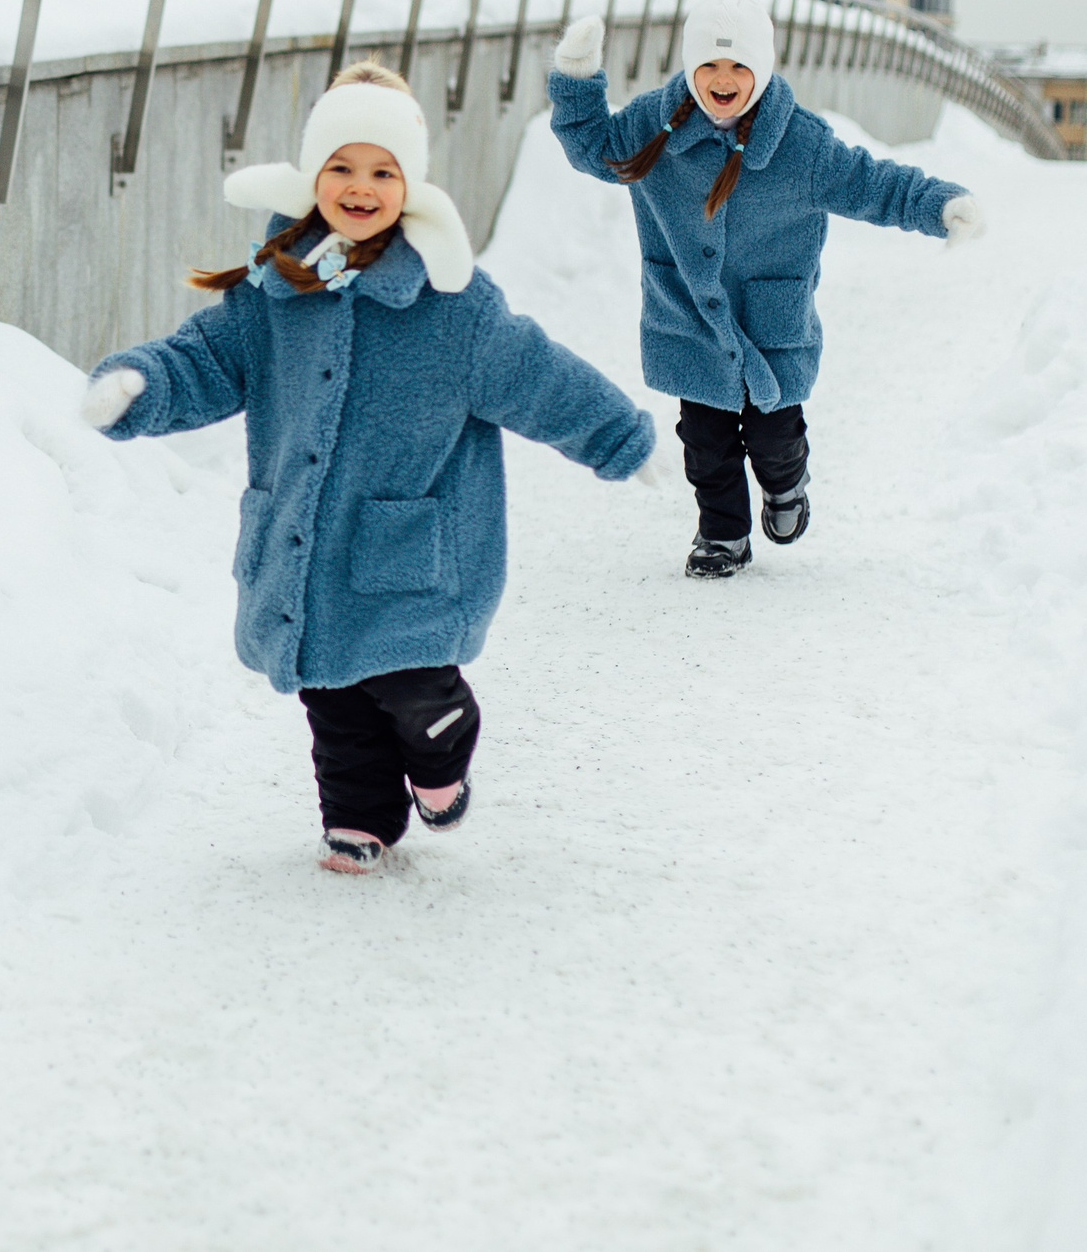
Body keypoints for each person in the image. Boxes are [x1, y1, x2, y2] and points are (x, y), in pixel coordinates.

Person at [81, 62, 662, 873]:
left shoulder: (452, 303)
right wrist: (138, 388)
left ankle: (442, 756)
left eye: (383, 171)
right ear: (315, 176)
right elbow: (202, 359)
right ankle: (359, 821)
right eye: (343, 168)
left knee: (415, 689)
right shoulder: (274, 291)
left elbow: (537, 376)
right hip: (309, 553)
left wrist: (617, 435)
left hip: (413, 562)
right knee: (335, 698)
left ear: (410, 184)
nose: (361, 187)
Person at [547, 0, 985, 579]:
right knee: (705, 445)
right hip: (690, 323)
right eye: (709, 66)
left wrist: (938, 205)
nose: (722, 80)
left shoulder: (800, 145)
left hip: (770, 329)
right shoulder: (658, 124)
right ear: (691, 66)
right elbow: (593, 146)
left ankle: (787, 485)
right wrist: (576, 78)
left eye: (737, 67)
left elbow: (872, 183)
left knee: (773, 442)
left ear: (762, 67)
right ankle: (722, 535)